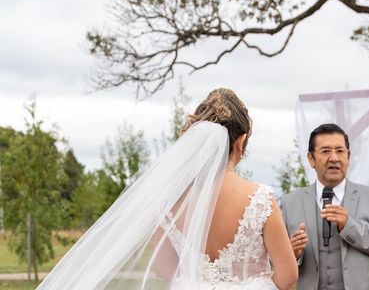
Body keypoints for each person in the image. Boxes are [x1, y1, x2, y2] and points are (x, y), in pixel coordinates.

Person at [37, 88, 297, 290]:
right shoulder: (259, 199)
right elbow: (287, 276)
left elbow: (163, 268)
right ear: (240, 142)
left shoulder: (170, 200)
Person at [281, 123, 369, 290]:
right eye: (325, 151)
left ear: (348, 156)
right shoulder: (289, 203)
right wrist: (291, 254)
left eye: (340, 151)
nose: (334, 158)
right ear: (311, 159)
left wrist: (350, 226)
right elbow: (273, 259)